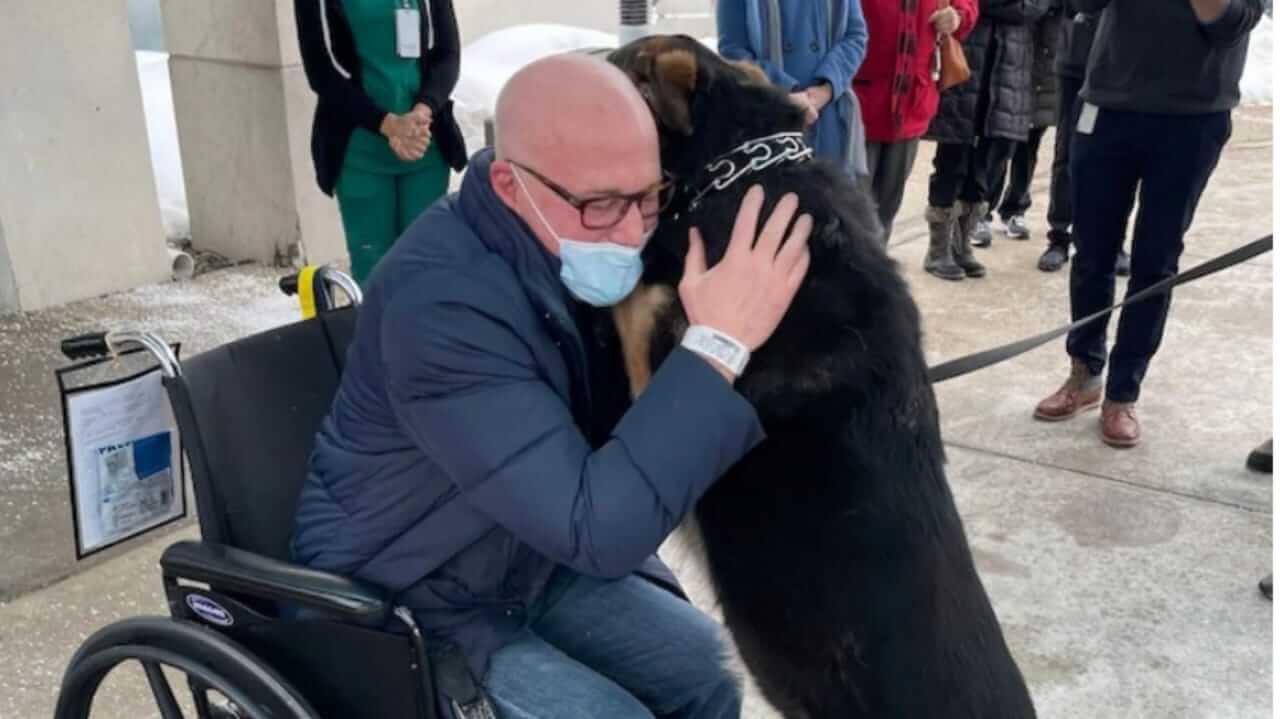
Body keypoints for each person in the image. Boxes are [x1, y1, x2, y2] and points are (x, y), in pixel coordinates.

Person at [290, 54, 813, 718]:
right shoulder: (442, 307)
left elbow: (619, 436)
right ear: (509, 185)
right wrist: (715, 345)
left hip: (519, 556)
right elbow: (595, 526)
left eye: (649, 196)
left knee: (710, 674)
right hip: (407, 592)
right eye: (601, 204)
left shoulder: (560, 246)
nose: (632, 230)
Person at [1033, 0, 1262, 447]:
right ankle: (1084, 373)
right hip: (1108, 104)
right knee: (1092, 251)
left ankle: (1122, 392)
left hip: (1192, 118)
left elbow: (1234, 23)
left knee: (1155, 261)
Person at [294, 0, 468, 284]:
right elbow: (322, 71)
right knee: (373, 271)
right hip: (360, 153)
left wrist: (422, 111)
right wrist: (388, 125)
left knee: (427, 266)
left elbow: (447, 53)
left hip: (424, 146)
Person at [922, 0, 1049, 281]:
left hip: (1011, 65)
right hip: (968, 58)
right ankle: (938, 249)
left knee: (990, 160)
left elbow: (1037, 7)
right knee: (952, 155)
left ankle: (962, 243)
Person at [854, 0, 979, 243]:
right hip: (860, 100)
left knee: (886, 210)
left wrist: (958, 17)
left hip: (911, 102)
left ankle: (874, 271)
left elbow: (967, 7)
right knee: (853, 209)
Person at [718, 0, 870, 177]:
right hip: (772, 119)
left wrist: (825, 90)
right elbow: (733, 51)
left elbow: (855, 36)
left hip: (828, 116)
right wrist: (786, 93)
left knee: (833, 198)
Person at [1035, 2, 1130, 275]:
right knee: (1069, 153)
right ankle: (1059, 237)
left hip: (1122, 70)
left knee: (1120, 161)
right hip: (1076, 64)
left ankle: (1116, 241)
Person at [977, 0, 1065, 245]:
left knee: (1030, 140)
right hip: (1010, 52)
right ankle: (983, 209)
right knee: (1000, 138)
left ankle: (1016, 207)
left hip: (1046, 59)